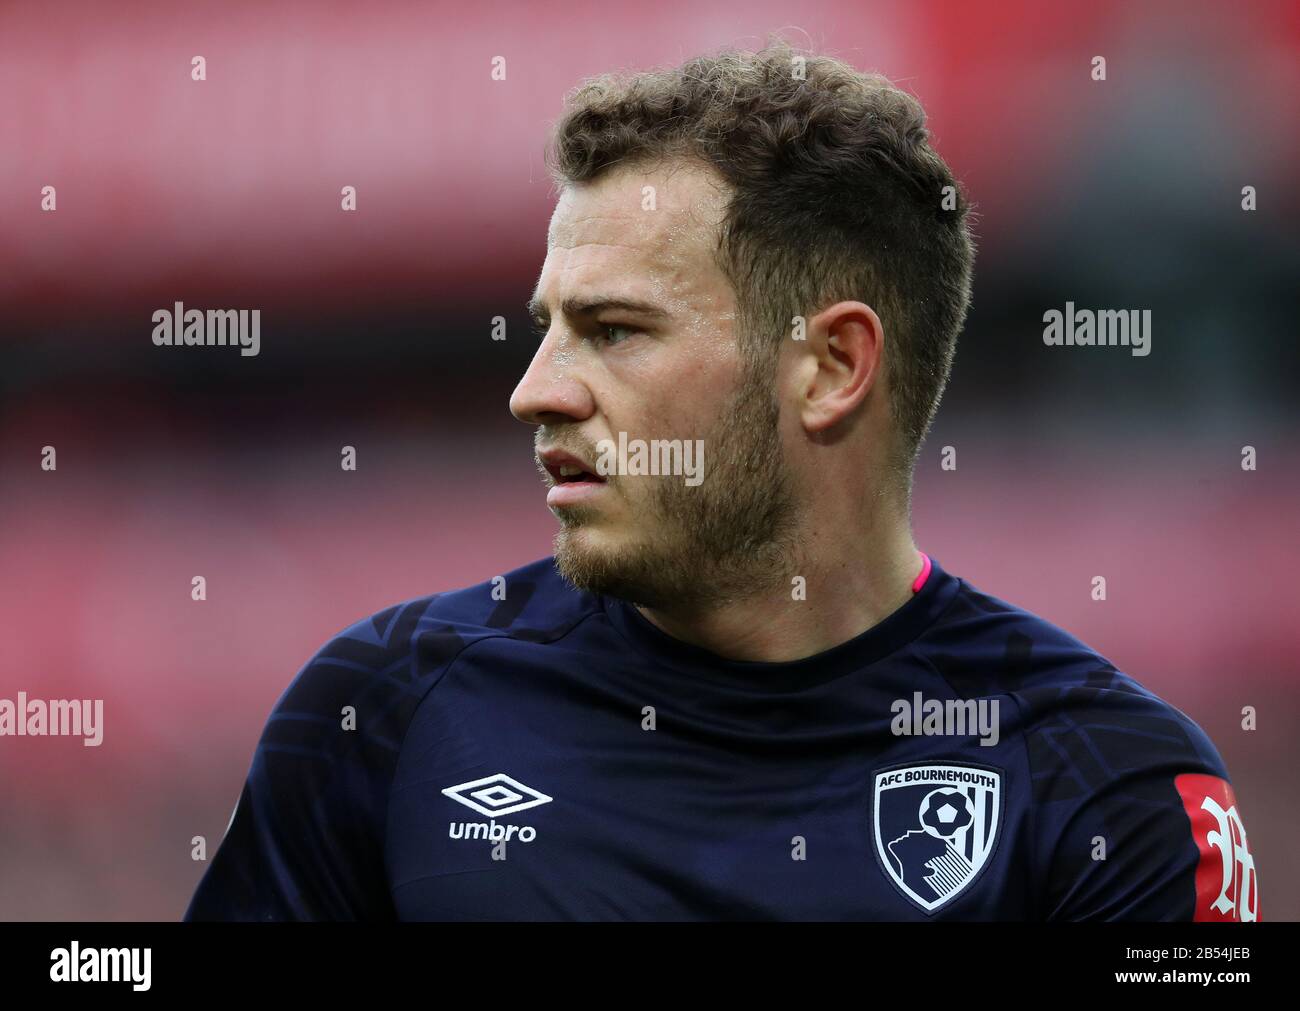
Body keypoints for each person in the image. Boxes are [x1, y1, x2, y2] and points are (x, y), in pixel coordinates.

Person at [185, 41, 1257, 921]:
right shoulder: (382, 714)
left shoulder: (1107, 787)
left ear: (832, 366)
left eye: (613, 331)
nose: (535, 391)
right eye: (546, 329)